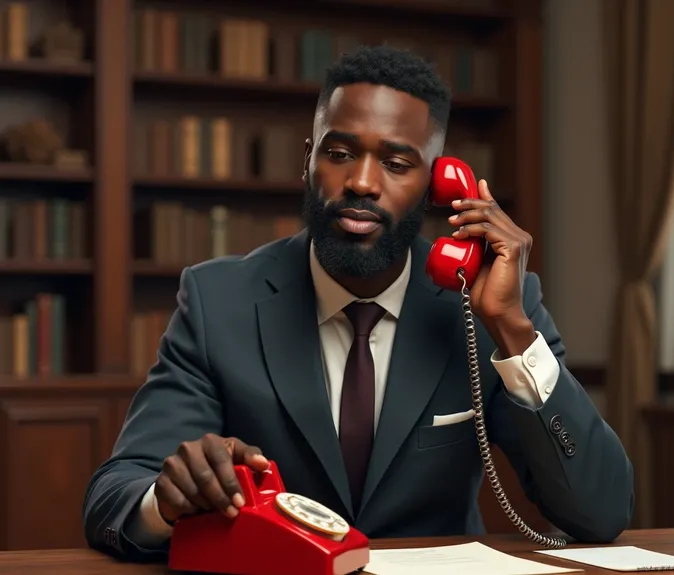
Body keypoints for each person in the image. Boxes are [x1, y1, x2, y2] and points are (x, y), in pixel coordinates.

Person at [83, 44, 634, 561]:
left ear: (440, 185)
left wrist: (511, 328)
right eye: (340, 153)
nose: (362, 183)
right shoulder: (216, 302)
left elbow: (601, 512)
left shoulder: (487, 307)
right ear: (309, 160)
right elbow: (113, 501)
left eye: (397, 164)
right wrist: (167, 497)